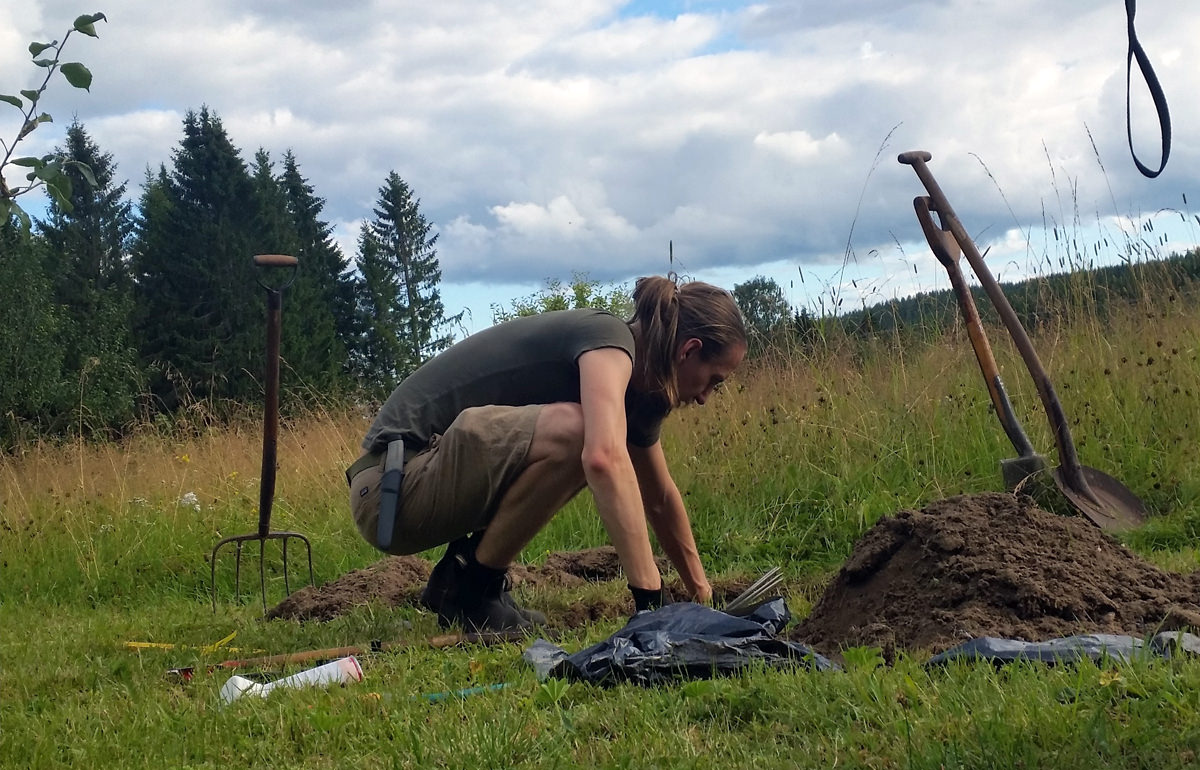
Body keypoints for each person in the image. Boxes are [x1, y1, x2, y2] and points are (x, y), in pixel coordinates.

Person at [346, 274, 747, 632]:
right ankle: (474, 591)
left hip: (419, 483)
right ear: (688, 350)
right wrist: (651, 602)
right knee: (584, 431)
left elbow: (659, 498)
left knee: (588, 431)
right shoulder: (608, 341)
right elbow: (604, 458)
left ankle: (461, 580)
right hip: (390, 489)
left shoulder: (642, 393)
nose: (706, 398)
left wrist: (700, 591)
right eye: (714, 380)